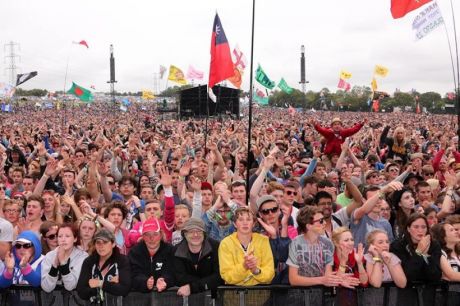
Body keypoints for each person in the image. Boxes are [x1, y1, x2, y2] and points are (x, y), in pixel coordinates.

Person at [390, 213, 442, 306]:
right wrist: (418, 252)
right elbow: (408, 275)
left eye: (423, 227)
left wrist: (425, 255)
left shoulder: (434, 245)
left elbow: (436, 276)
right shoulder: (397, 246)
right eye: (416, 227)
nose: (420, 230)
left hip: (428, 295)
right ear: (408, 229)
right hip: (405, 296)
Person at [219, 207, 275, 285]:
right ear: (235, 224)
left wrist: (256, 271)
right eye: (241, 220)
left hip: (260, 292)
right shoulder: (225, 243)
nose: (245, 223)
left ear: (253, 224)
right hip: (234, 292)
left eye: (248, 219)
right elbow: (227, 276)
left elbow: (270, 274)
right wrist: (244, 267)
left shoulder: (263, 240)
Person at [76, 228, 131, 304]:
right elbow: (81, 291)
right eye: (98, 242)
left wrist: (100, 283)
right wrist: (110, 285)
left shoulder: (122, 261)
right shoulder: (89, 261)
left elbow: (124, 289)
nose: (101, 246)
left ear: (113, 244)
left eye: (105, 242)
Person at [173, 218, 223, 297]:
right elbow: (179, 278)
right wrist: (206, 282)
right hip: (186, 298)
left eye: (199, 231)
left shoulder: (215, 246)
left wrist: (192, 287)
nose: (195, 235)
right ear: (184, 234)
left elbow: (219, 276)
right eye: (191, 231)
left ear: (204, 233)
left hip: (213, 297)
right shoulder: (177, 250)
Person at [129, 217, 175, 293]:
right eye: (147, 235)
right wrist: (145, 282)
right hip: (141, 298)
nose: (151, 238)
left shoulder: (170, 250)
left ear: (161, 235)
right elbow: (133, 274)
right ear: (143, 236)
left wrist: (165, 280)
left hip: (166, 297)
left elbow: (174, 272)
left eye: (155, 234)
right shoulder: (135, 252)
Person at [41, 223, 88, 292]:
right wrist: (54, 266)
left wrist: (63, 263)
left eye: (67, 236)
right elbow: (46, 288)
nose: (63, 239)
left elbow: (70, 286)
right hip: (54, 301)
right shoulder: (49, 256)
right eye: (60, 236)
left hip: (76, 300)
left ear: (75, 239)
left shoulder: (83, 257)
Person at [331, 227, 368, 306]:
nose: (351, 243)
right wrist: (343, 261)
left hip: (356, 300)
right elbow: (336, 282)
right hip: (335, 301)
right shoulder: (330, 258)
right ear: (336, 243)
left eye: (352, 239)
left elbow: (364, 282)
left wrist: (359, 263)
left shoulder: (357, 255)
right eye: (346, 240)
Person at [431, 223, 460, 305]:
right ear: (442, 236)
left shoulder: (458, 253)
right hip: (448, 298)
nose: (456, 232)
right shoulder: (439, 253)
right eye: (452, 230)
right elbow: (451, 275)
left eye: (455, 229)